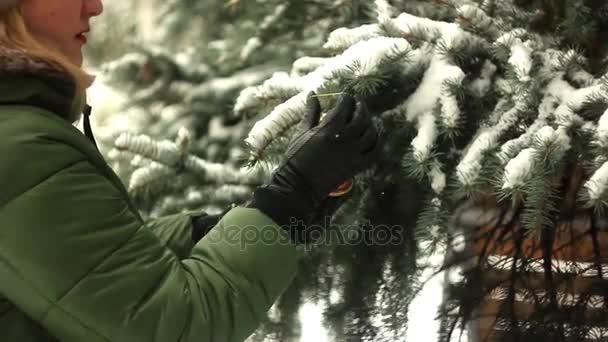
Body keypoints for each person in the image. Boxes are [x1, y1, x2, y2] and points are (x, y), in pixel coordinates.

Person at [0, 1, 380, 341]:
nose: (95, 7)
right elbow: (178, 325)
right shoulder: (18, 149)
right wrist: (291, 197)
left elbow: (88, 271)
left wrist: (223, 227)